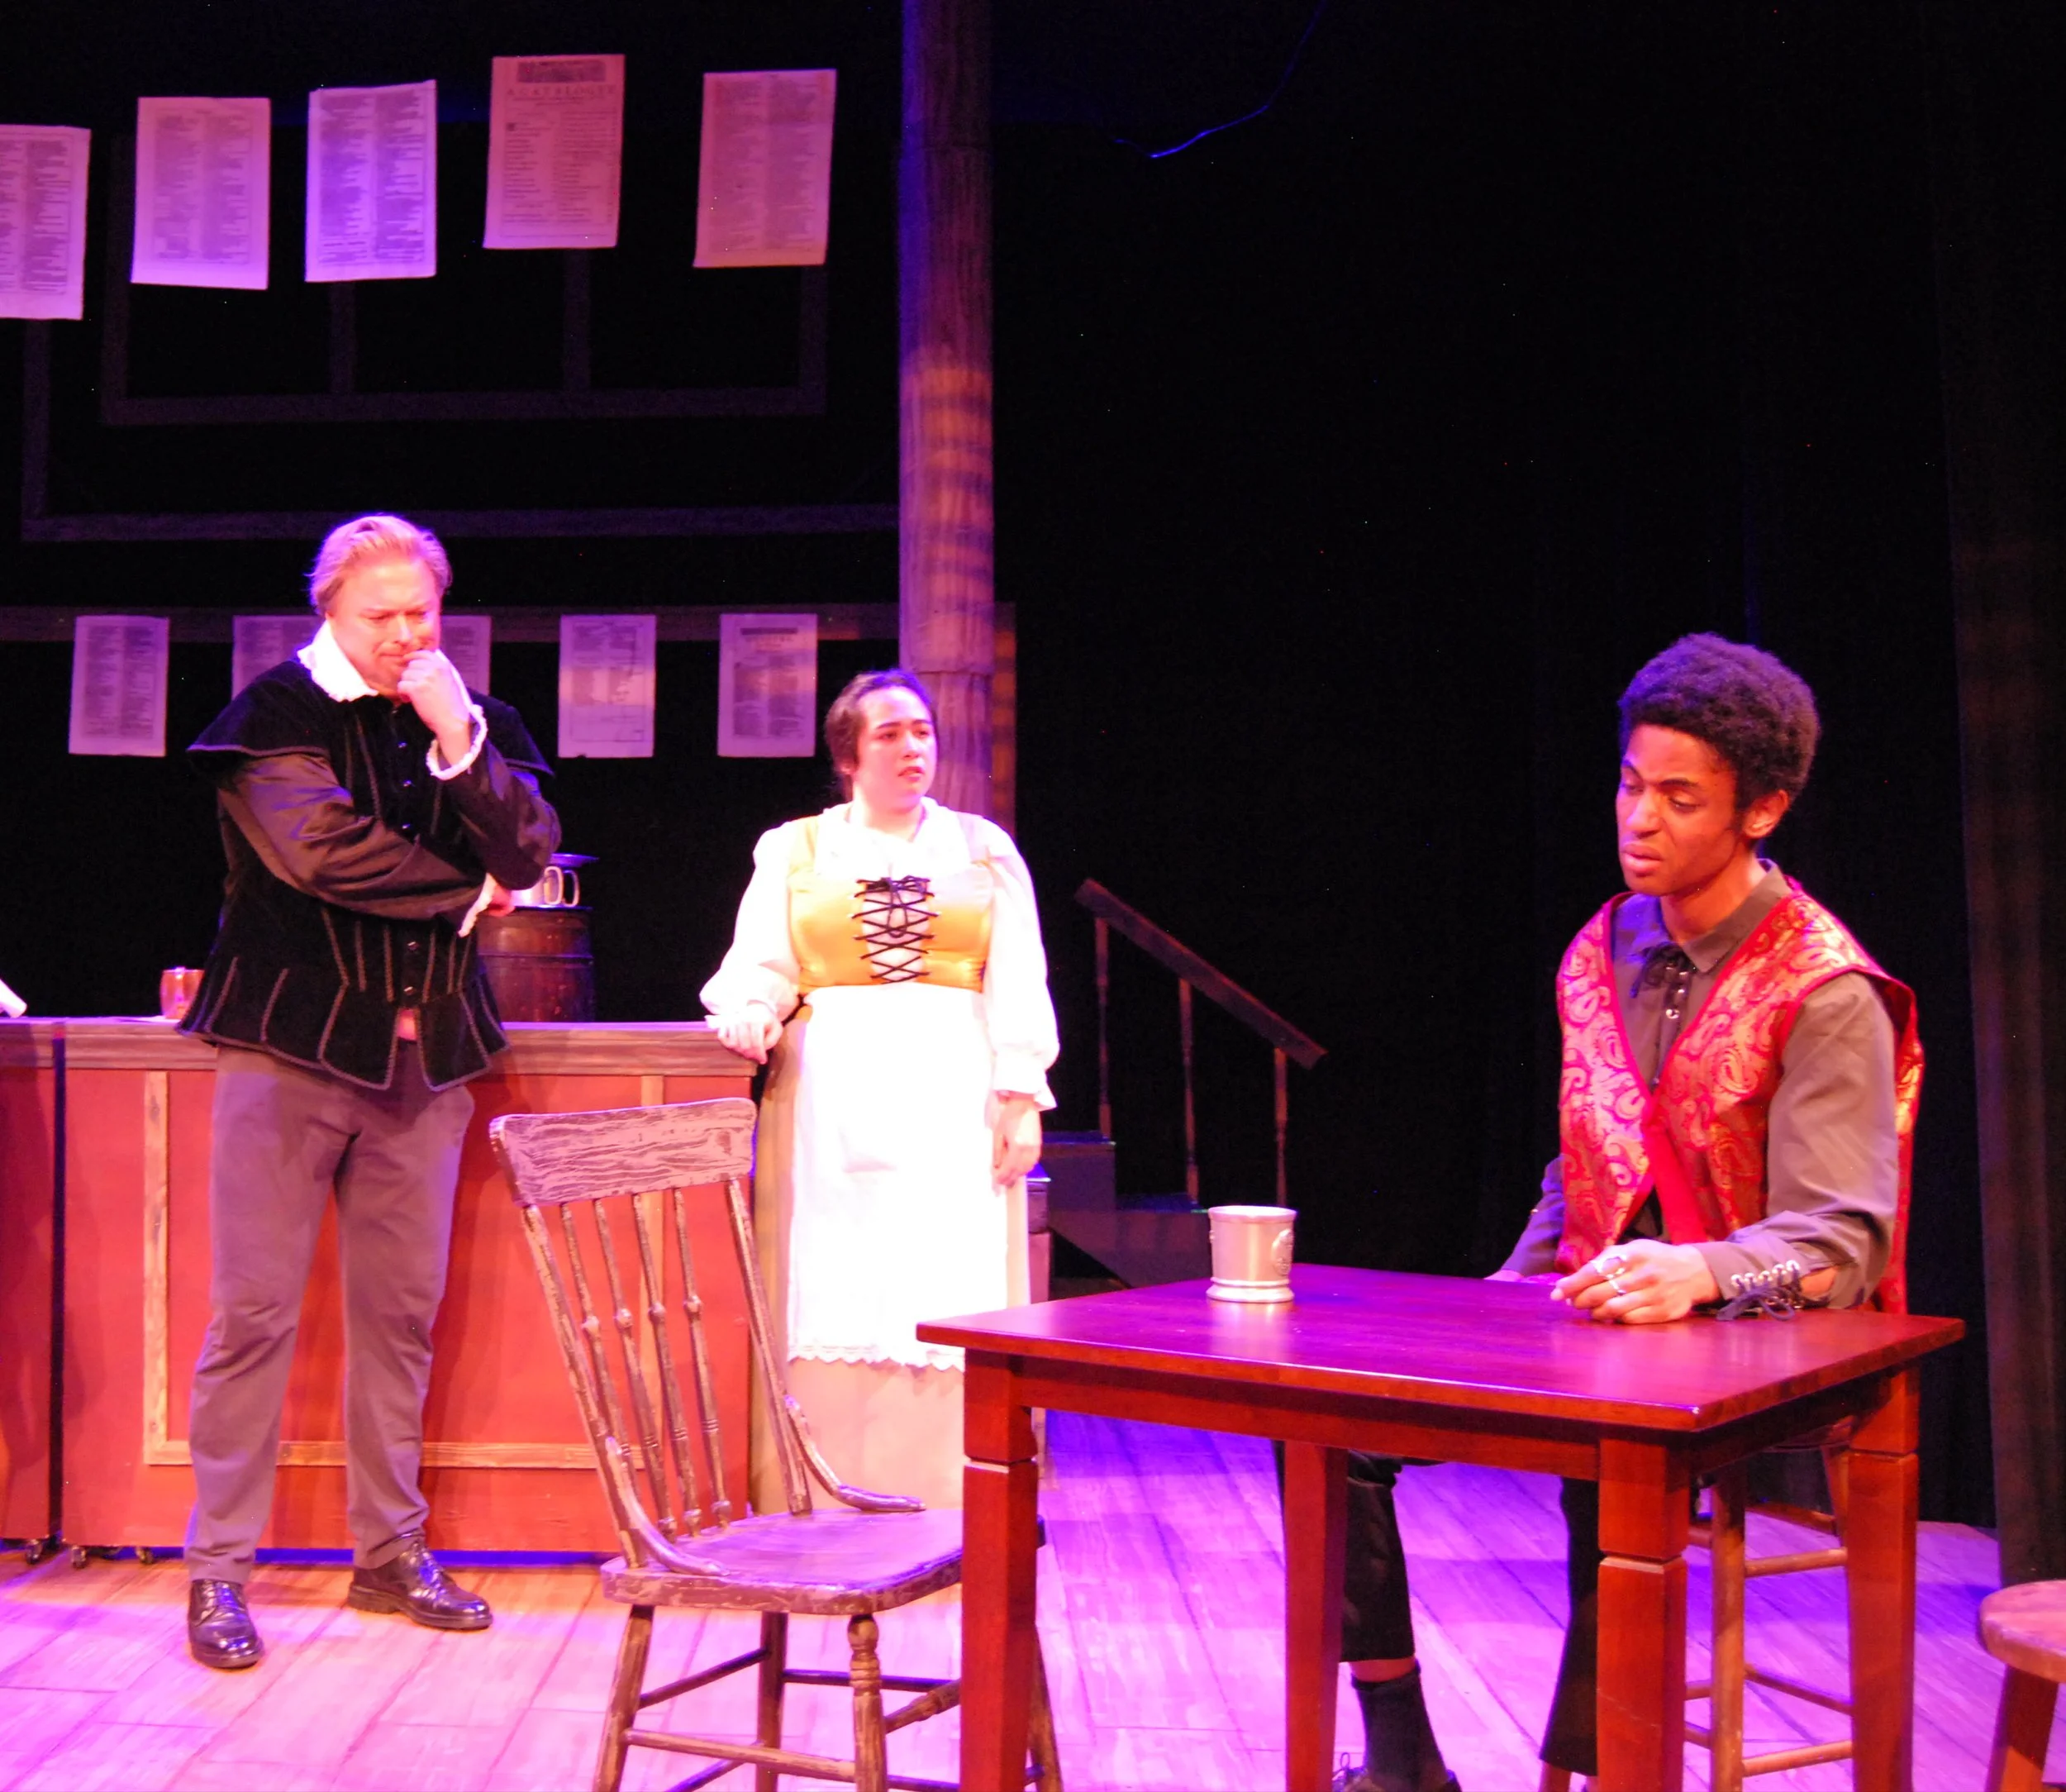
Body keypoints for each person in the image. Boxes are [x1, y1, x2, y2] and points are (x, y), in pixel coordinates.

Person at [1335, 635, 1921, 1792]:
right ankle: (1401, 1756)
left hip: (1766, 1334)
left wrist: (1698, 1273)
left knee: (1620, 1471)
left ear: (1763, 810)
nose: (1638, 818)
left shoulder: (1826, 989)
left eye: (1679, 798)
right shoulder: (1601, 945)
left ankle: (1610, 1771)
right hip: (1614, 1316)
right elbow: (1588, 1161)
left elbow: (1845, 1244)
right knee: (1341, 1428)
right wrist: (1503, 1306)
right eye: (1629, 783)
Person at [177, 513, 560, 1670]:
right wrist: (470, 890)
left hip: (423, 1058)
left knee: (400, 1317)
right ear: (330, 612)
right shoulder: (273, 718)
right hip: (288, 1050)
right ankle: (218, 1574)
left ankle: (390, 1555)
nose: (406, 636)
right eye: (380, 616)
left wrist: (460, 744)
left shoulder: (467, 717)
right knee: (255, 1314)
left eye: (421, 613)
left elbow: (535, 843)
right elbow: (324, 854)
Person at [702, 669, 1058, 1510]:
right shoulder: (795, 848)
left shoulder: (980, 847)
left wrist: (1020, 1089)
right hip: (833, 1089)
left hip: (952, 1085)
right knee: (833, 1269)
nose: (911, 747)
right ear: (849, 753)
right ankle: (824, 1487)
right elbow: (760, 961)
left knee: (949, 1270)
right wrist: (751, 1007)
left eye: (922, 731)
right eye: (891, 732)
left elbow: (1019, 972)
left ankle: (956, 1494)